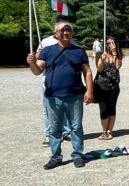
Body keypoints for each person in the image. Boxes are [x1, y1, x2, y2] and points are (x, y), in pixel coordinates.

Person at [27, 21, 94, 170]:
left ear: (72, 33)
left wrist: (90, 91)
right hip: (52, 96)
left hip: (75, 95)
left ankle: (78, 155)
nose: (65, 33)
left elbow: (87, 72)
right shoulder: (47, 51)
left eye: (68, 30)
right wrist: (31, 63)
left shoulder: (79, 51)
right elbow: (37, 71)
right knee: (54, 129)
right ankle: (55, 157)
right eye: (62, 30)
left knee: (76, 127)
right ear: (55, 34)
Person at [37, 17, 72, 146]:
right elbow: (38, 59)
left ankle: (67, 132)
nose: (64, 30)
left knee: (67, 107)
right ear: (56, 27)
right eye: (60, 24)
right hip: (48, 79)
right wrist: (35, 57)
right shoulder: (46, 42)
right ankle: (48, 133)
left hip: (67, 83)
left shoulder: (70, 41)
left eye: (66, 27)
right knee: (49, 109)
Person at [94, 36, 122, 141]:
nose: (110, 45)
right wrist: (101, 59)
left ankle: (110, 131)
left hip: (113, 86)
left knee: (112, 108)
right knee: (103, 109)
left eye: (112, 43)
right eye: (108, 43)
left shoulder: (118, 55)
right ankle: (104, 131)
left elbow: (117, 67)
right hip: (101, 86)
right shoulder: (101, 54)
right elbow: (99, 69)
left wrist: (114, 53)